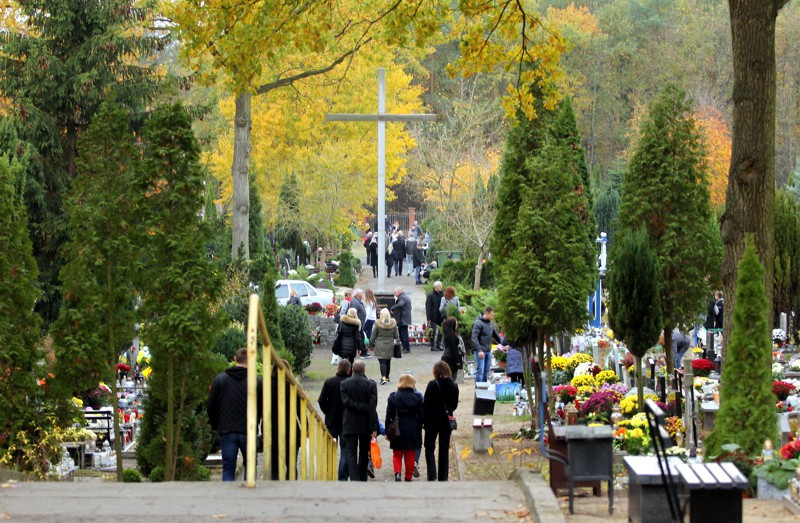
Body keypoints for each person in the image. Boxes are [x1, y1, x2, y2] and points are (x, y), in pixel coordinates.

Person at [208, 348, 261, 481]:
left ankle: (228, 493)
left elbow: (211, 406)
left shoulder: (221, 380)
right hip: (248, 430)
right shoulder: (255, 381)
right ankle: (248, 492)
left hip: (227, 429)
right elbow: (261, 407)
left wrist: (215, 425)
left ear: (235, 359)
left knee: (228, 468)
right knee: (250, 467)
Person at [340, 360, 378, 481]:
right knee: (364, 452)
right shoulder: (371, 385)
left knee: (351, 452)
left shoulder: (344, 384)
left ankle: (354, 478)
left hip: (350, 423)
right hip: (365, 423)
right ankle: (362, 477)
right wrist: (374, 428)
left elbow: (346, 402)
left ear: (352, 370)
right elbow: (372, 408)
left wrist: (360, 406)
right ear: (364, 370)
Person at [423, 361, 459, 481]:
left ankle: (432, 474)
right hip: (446, 420)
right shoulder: (453, 385)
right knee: (444, 449)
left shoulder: (432, 384)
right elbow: (454, 405)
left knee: (429, 447)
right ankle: (443, 477)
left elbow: (426, 403)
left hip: (431, 420)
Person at [385, 373, 424, 481]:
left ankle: (397, 473)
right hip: (412, 428)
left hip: (397, 428)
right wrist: (418, 426)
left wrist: (388, 431)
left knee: (397, 454)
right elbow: (422, 416)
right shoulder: (417, 397)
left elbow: (388, 416)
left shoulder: (393, 396)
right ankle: (408, 477)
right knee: (410, 454)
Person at [318, 359, 352, 480]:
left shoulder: (329, 382)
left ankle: (329, 473)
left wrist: (328, 411)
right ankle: (342, 476)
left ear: (337, 368)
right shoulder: (350, 383)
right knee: (345, 450)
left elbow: (321, 400)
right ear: (349, 370)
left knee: (329, 449)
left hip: (331, 420)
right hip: (346, 421)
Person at [471, 306, 502, 383]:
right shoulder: (478, 323)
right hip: (480, 351)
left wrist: (505, 343)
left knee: (486, 371)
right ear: (487, 314)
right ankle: (478, 388)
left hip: (488, 351)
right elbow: (474, 337)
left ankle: (484, 387)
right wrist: (479, 350)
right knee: (480, 370)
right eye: (492, 315)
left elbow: (496, 336)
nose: (493, 317)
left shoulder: (491, 324)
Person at [370, 308, 399, 385]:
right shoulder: (393, 323)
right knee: (388, 361)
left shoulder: (378, 324)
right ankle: (387, 377)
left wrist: (370, 344)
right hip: (390, 345)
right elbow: (396, 336)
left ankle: (383, 377)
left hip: (380, 345)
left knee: (382, 361)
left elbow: (373, 336)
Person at [390, 286, 412, 353]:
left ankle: (406, 348)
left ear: (399, 291)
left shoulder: (402, 297)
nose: (394, 293)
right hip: (405, 318)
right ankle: (405, 347)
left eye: (395, 292)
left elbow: (400, 304)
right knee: (402, 333)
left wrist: (392, 308)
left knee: (403, 334)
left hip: (403, 319)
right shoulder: (405, 296)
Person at [426, 281, 444, 352]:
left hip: (441, 316)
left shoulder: (442, 295)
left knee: (440, 331)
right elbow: (428, 307)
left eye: (441, 286)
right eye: (440, 286)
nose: (441, 287)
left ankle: (438, 345)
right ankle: (432, 345)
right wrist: (428, 318)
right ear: (435, 287)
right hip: (433, 316)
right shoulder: (430, 296)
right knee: (432, 331)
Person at [350, 289, 369, 358]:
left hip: (359, 323)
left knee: (361, 337)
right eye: (362, 293)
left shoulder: (357, 301)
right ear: (358, 294)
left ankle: (363, 352)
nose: (363, 295)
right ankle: (363, 353)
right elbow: (353, 312)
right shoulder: (355, 302)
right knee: (360, 337)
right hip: (357, 323)